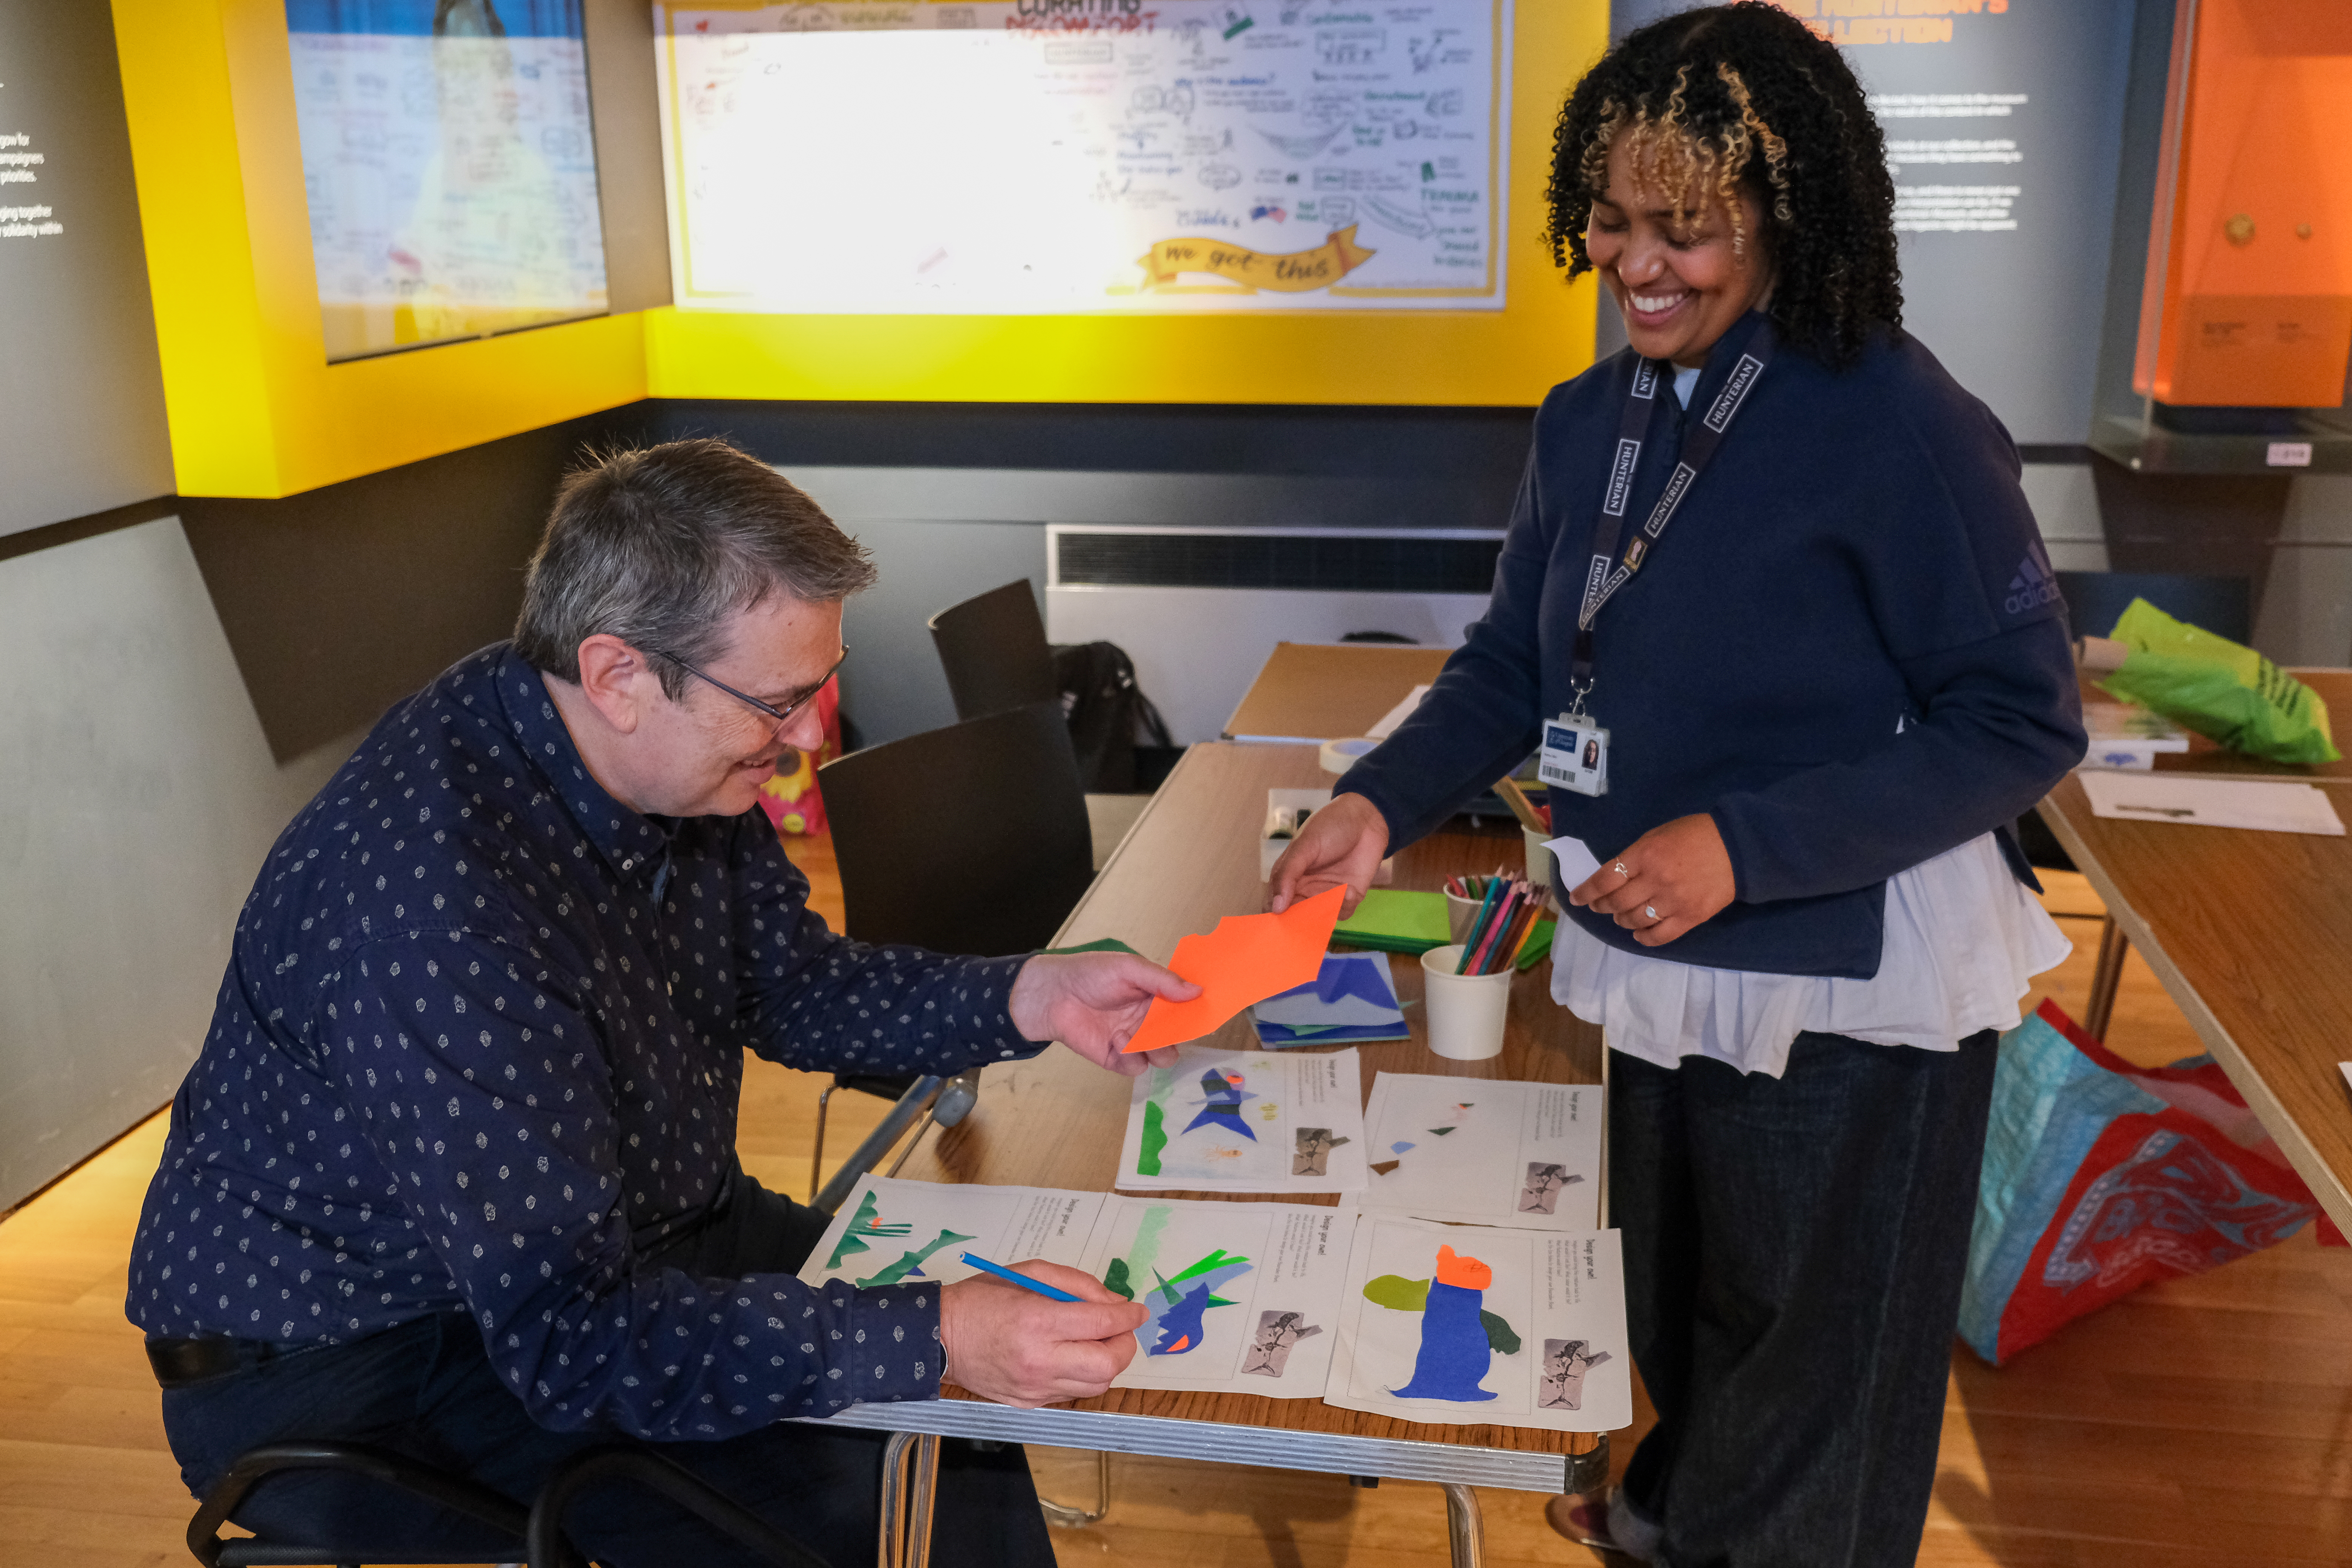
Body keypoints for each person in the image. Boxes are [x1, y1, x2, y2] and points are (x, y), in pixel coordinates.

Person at [1269, 7, 2084, 1565]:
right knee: (1679, 1296)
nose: (1638, 263)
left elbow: (2020, 721)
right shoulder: (1591, 418)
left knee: (1818, 1372)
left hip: (1849, 971)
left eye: (1687, 230)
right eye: (1614, 220)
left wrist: (1746, 844)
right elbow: (1517, 662)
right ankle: (1671, 1511)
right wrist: (1381, 797)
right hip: (1650, 944)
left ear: (1788, 213)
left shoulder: (1907, 424)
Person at [126, 438, 1200, 1568]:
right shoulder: (443, 911)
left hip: (628, 1242)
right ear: (619, 674)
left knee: (956, 1429)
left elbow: (786, 983)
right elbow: (576, 1342)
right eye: (782, 702)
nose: (812, 737)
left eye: (819, 689)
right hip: (368, 1359)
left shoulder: (642, 748)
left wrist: (1034, 992)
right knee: (871, 1474)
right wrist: (935, 1330)